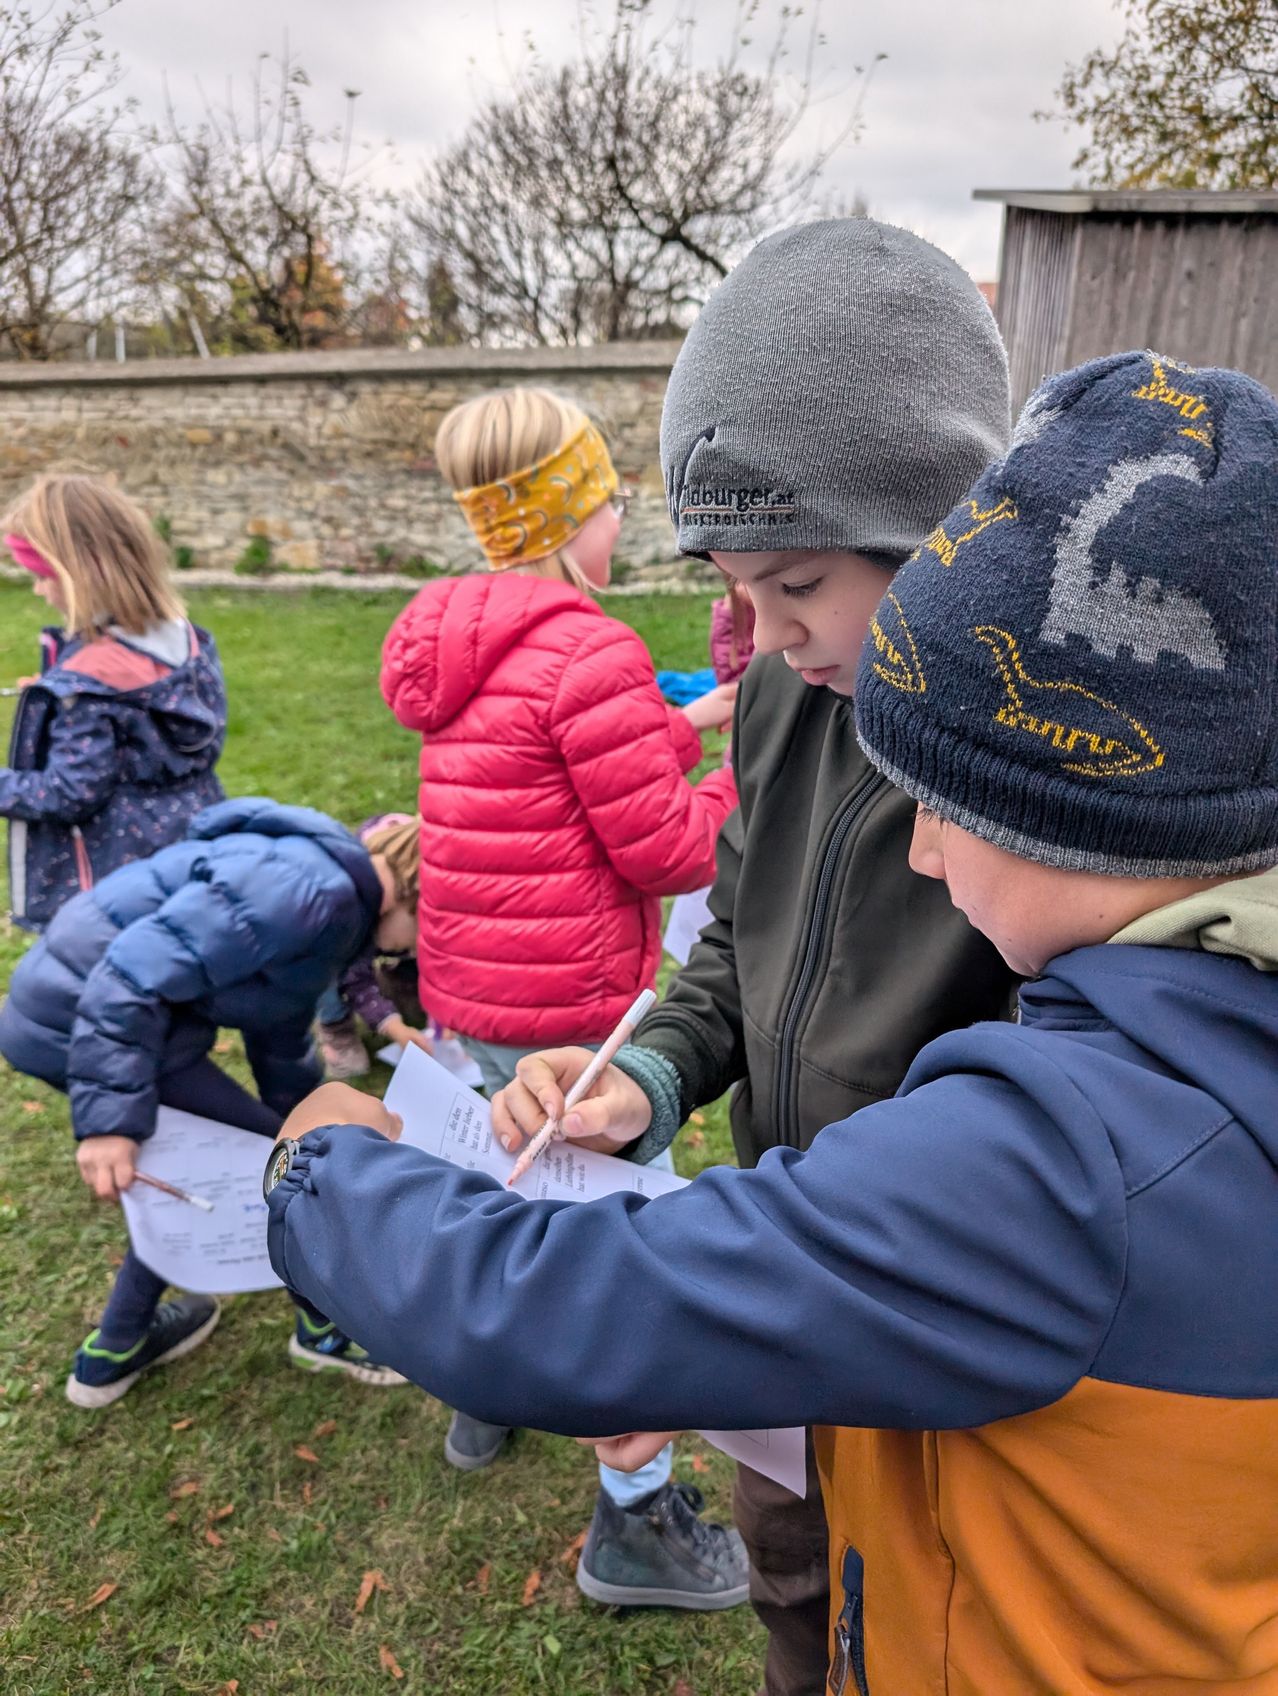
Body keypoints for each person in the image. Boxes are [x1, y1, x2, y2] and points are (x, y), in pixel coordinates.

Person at [267, 350, 1278, 1694]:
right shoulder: (1191, 1029)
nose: (921, 854)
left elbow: (564, 1305)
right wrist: (656, 1073)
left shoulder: (1078, 1160)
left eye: (949, 801)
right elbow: (733, 944)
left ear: (1084, 798)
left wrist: (315, 1163)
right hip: (910, 1483)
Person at [492, 218, 1018, 1682]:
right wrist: (648, 1078)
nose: (766, 637)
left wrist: (745, 1291)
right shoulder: (791, 694)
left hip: (935, 1319)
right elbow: (732, 936)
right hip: (786, 1300)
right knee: (796, 1596)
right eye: (733, 588)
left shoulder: (1044, 763)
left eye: (794, 584)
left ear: (940, 531)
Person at [379, 384, 744, 1606]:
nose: (622, 513)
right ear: (567, 512)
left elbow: (553, 770)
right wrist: (747, 774)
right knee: (616, 1242)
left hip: (477, 995)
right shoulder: (590, 647)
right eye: (607, 494)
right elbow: (667, 853)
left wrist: (683, 723)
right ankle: (633, 1523)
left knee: (500, 1183)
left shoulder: (450, 633)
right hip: (580, 1011)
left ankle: (482, 1396)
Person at [0, 797, 418, 1409]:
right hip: (86, 1021)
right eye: (422, 939)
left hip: (109, 1019)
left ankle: (115, 1349)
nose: (404, 957)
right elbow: (129, 978)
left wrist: (300, 1113)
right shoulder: (312, 894)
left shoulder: (336, 898)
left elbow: (278, 1015)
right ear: (417, 893)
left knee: (257, 1159)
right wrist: (110, 1123)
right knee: (277, 1175)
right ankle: (320, 1334)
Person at [0, 473, 226, 931]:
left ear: (81, 572)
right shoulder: (184, 639)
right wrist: (58, 688)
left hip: (110, 892)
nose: (38, 591)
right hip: (188, 853)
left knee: (106, 994)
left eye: (42, 576)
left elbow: (67, 793)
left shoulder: (89, 687)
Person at [315, 812, 433, 1080]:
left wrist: (446, 1014)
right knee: (327, 971)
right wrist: (393, 1028)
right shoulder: (345, 917)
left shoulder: (410, 899)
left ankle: (400, 980)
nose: (418, 944)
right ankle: (335, 1024)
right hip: (330, 957)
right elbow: (354, 976)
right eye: (419, 934)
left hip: (388, 935)